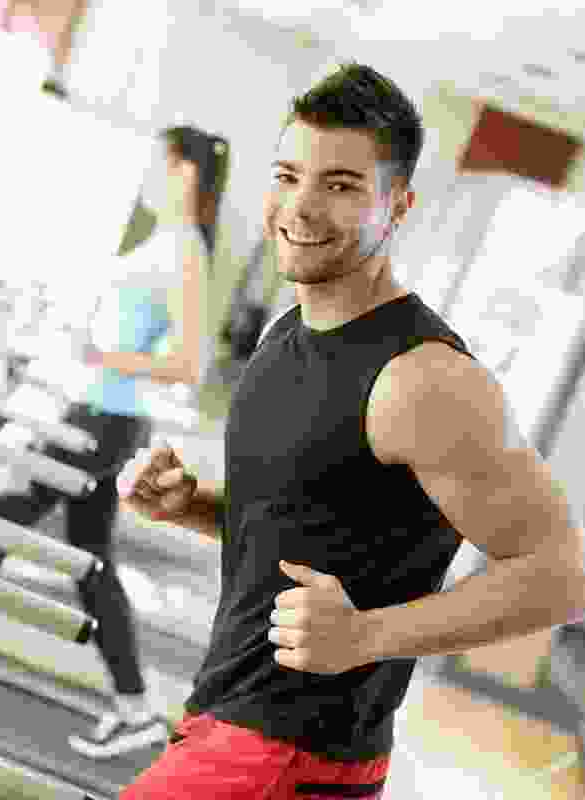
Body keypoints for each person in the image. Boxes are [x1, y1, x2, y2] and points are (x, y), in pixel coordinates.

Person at [115, 62, 585, 798]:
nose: (300, 207)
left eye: (340, 186)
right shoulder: (288, 331)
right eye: (288, 175)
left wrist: (368, 635)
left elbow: (562, 576)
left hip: (282, 751)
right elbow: (316, 526)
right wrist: (193, 505)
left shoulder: (422, 378)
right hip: (231, 722)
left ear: (397, 206)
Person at [0, 125, 221, 760]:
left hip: (105, 422)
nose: (146, 176)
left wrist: (100, 353)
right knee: (86, 559)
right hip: (98, 412)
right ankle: (133, 705)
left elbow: (188, 364)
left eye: (156, 164)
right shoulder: (166, 240)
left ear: (183, 171)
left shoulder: (186, 249)